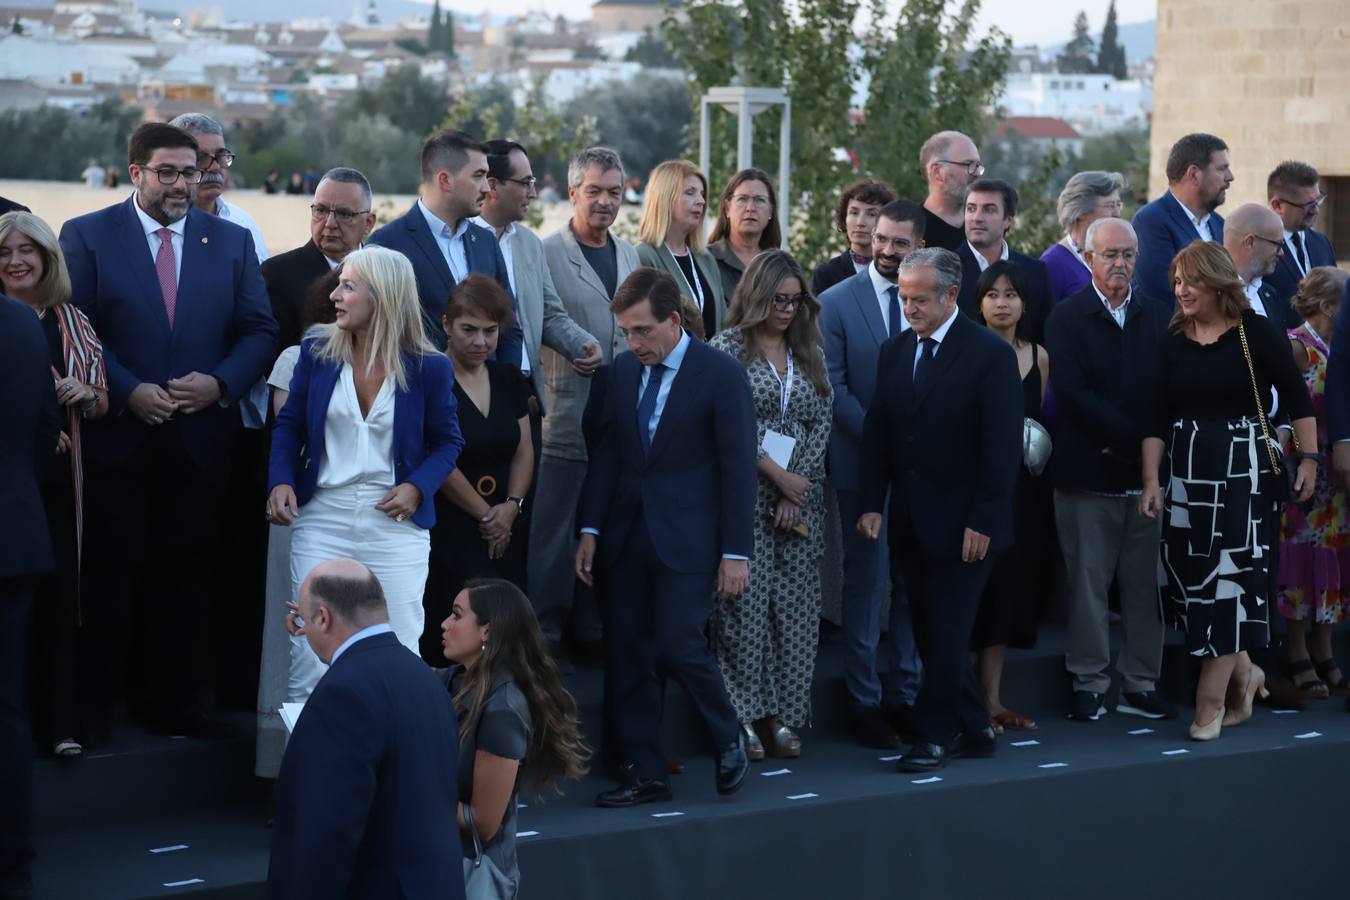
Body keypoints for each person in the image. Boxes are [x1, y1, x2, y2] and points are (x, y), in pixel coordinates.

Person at [59, 122, 276, 739]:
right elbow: (81, 327)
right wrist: (130, 390)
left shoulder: (230, 242)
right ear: (136, 174)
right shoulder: (88, 236)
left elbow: (259, 330)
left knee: (185, 577)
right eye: (169, 172)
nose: (184, 183)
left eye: (192, 171)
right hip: (120, 435)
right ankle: (97, 707)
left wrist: (220, 383)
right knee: (112, 571)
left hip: (202, 439)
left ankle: (174, 704)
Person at [576, 268, 755, 806]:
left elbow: (738, 469)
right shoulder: (622, 374)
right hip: (627, 536)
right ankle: (643, 771)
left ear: (674, 321)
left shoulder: (721, 374)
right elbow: (608, 459)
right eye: (626, 333)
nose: (633, 343)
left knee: (679, 643)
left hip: (692, 540)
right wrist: (589, 528)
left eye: (642, 331)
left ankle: (729, 735)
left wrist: (735, 552)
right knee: (629, 653)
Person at [266, 246, 464, 701]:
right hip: (321, 518)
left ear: (383, 297)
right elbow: (290, 423)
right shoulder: (317, 351)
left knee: (400, 643)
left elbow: (449, 442)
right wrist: (280, 480)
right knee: (311, 648)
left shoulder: (430, 367)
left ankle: (389, 763)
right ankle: (309, 766)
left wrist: (418, 486)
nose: (334, 294)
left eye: (348, 286)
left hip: (394, 523)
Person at [1140, 241, 1317, 740]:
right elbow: (1154, 416)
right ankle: (1246, 670)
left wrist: (1308, 458)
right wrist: (1151, 480)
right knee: (1190, 585)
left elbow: (1298, 399)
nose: (1180, 290)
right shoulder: (1172, 340)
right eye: (1176, 281)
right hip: (1185, 474)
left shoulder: (1253, 332)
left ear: (1217, 283)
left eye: (1190, 281)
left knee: (1226, 584)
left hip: (1242, 475)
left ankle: (1208, 704)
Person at [857, 247, 1022, 773]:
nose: (909, 307)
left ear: (951, 296)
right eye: (904, 298)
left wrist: (983, 519)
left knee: (948, 633)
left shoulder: (988, 354)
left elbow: (1001, 448)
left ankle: (933, 735)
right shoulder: (895, 350)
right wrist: (870, 503)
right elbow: (880, 431)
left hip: (968, 526)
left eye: (920, 299)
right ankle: (974, 727)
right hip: (911, 520)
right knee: (930, 633)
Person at [268, 559, 464, 900]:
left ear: (323, 618)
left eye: (302, 618)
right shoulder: (425, 679)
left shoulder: (342, 692)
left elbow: (325, 830)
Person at [1046, 218, 1175, 723]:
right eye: (1109, 254)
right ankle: (1089, 682)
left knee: (1146, 589)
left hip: (1146, 480)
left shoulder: (1159, 315)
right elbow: (1075, 397)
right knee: (1088, 587)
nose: (1119, 263)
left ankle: (1141, 684)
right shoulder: (1065, 317)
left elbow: (1162, 395)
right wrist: (1135, 442)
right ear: (1089, 259)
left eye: (1127, 254)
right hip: (1086, 477)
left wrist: (1145, 458)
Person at [708, 251, 832, 760]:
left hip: (801, 499)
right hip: (745, 496)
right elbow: (727, 426)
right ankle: (742, 716)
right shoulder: (726, 350)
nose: (786, 309)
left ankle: (782, 715)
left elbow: (822, 418)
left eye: (795, 299)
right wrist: (775, 475)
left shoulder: (810, 351)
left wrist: (795, 484)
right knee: (744, 611)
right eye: (777, 299)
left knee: (796, 614)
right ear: (756, 296)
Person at [818, 199, 928, 749]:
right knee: (865, 586)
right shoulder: (834, 303)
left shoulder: (934, 302)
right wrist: (889, 445)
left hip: (921, 473)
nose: (884, 250)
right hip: (861, 468)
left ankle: (906, 696)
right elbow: (832, 388)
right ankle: (863, 702)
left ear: (920, 248)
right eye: (880, 239)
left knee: (911, 584)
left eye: (898, 243)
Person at [0, 212, 108, 761]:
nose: (16, 261)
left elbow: (103, 400)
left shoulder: (72, 322)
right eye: (5, 252)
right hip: (12, 484)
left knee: (61, 602)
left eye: (27, 250)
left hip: (62, 491)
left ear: (47, 257)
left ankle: (60, 723)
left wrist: (82, 395)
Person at [532, 147, 642, 661]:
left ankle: (591, 627)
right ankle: (543, 639)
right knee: (555, 536)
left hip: (621, 421)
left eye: (614, 192)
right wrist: (577, 346)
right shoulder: (544, 252)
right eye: (594, 190)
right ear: (572, 192)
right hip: (565, 417)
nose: (604, 201)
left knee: (603, 528)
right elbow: (544, 319)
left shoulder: (631, 254)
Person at [437, 578, 589, 894]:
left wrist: (415, 797)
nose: (444, 624)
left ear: (487, 632)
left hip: (472, 877)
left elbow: (484, 822)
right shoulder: (455, 681)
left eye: (456, 615)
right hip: (441, 864)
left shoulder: (503, 710)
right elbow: (397, 672)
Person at [422, 275, 533, 663]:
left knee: (504, 634)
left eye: (490, 331)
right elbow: (438, 456)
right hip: (451, 528)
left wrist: (512, 506)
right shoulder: (431, 377)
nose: (481, 341)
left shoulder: (506, 377)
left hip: (508, 526)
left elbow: (523, 449)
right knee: (450, 630)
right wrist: (487, 515)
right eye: (469, 330)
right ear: (447, 324)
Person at [255, 271, 339, 780]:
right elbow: (293, 437)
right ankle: (284, 772)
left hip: (364, 517)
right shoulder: (297, 358)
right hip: (303, 510)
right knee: (290, 636)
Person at [969, 260, 1051, 732]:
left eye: (1011, 294)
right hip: (975, 490)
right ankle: (967, 700)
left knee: (1006, 595)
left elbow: (1038, 422)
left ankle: (993, 700)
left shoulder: (1039, 356)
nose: (1002, 303)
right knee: (972, 595)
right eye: (992, 294)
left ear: (1024, 302)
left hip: (1024, 494)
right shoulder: (967, 351)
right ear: (978, 302)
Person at [475, 140, 601, 429]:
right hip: (473, 395)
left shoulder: (529, 243)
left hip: (525, 397)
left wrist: (581, 344)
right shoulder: (460, 241)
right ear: (492, 185)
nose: (533, 192)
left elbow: (549, 313)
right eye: (525, 182)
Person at [0, 293, 58, 900]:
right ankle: (13, 862)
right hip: (16, 535)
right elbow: (46, 432)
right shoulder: (21, 321)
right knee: (7, 709)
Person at [368, 129, 520, 357]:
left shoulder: (486, 242)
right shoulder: (386, 245)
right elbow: (380, 337)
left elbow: (509, 326)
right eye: (478, 176)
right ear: (445, 180)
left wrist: (501, 384)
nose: (487, 188)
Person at [1277, 267, 1350, 697]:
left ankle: (1325, 650)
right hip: (1305, 472)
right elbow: (1281, 407)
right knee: (1299, 561)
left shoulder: (1337, 346)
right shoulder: (1297, 347)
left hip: (1335, 476)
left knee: (1333, 559)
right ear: (1327, 307)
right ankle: (1298, 651)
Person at [263, 167, 378, 354]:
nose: (329, 223)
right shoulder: (276, 274)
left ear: (368, 223)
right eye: (321, 210)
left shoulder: (386, 276)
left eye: (344, 214)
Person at [1131, 132, 1232, 304]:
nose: (1230, 176)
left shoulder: (1218, 223)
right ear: (1194, 174)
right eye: (1222, 169)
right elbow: (1161, 295)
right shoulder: (1151, 221)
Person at [635, 159, 725, 340]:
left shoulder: (706, 259)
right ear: (664, 198)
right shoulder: (643, 256)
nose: (701, 201)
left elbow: (723, 322)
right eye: (690, 193)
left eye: (702, 194)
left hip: (713, 365)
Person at [955, 178, 1053, 343]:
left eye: (989, 210)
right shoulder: (943, 269)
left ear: (1009, 219)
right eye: (971, 209)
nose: (976, 218)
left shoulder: (1035, 272)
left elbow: (1045, 335)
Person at [168, 113, 269, 262]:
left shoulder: (243, 223)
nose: (214, 167)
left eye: (221, 156)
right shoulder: (158, 229)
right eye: (201, 158)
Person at [1041, 170, 1126, 304]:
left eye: (1118, 205)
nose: (1117, 214)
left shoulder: (1118, 257)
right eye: (1110, 206)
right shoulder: (1053, 264)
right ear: (1081, 212)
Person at [1265, 161, 1336, 309]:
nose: (1315, 210)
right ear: (1277, 205)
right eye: (1307, 206)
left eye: (1318, 201)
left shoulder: (1322, 243)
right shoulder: (1260, 246)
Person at [811, 179, 897, 296]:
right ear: (844, 218)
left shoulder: (898, 272)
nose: (860, 222)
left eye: (872, 214)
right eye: (854, 213)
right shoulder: (826, 274)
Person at [707, 168, 782, 299]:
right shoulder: (705, 260)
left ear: (771, 211)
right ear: (727, 209)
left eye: (759, 200)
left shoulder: (779, 266)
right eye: (742, 199)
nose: (750, 208)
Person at [1223, 203, 1297, 334]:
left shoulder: (1269, 295)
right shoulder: (1208, 294)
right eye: (1278, 245)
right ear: (1250, 242)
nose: (1281, 253)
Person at [918, 131, 983, 251]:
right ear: (937, 172)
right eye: (968, 164)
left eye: (978, 165)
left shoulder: (982, 227)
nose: (977, 173)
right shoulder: (912, 230)